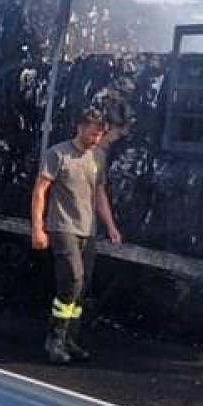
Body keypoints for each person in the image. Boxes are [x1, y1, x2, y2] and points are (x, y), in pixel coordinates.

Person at [30, 108, 122, 365]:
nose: (95, 139)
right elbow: (40, 191)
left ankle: (71, 338)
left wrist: (111, 226)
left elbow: (99, 194)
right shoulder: (58, 154)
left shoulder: (97, 157)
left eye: (99, 135)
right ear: (80, 128)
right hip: (63, 226)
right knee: (72, 279)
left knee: (83, 286)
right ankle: (55, 339)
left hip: (88, 230)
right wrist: (37, 228)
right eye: (92, 134)